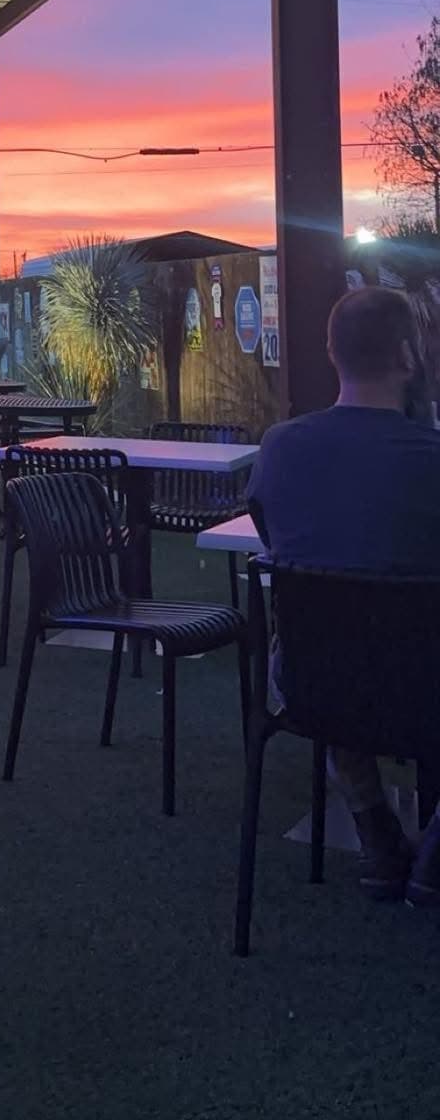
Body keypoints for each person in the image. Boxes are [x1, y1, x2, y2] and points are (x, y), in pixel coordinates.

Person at [247, 285, 440, 905]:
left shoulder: (280, 448)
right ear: (410, 357)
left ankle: (375, 830)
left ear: (332, 353)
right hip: (423, 690)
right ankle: (434, 852)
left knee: (337, 651)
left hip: (311, 688)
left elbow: (275, 538)